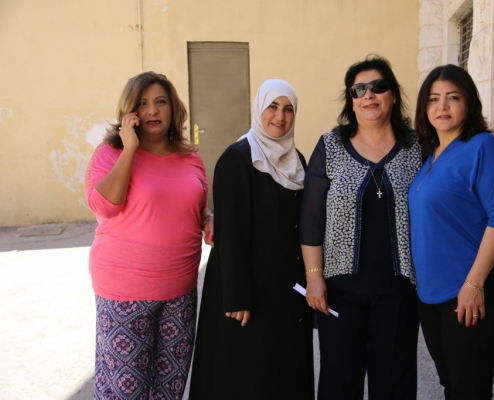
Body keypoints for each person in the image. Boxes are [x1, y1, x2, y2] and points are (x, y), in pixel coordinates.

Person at [84, 71, 213, 400]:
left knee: (169, 390)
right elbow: (105, 207)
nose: (152, 111)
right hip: (125, 292)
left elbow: (197, 208)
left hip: (180, 293)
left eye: (160, 102)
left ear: (173, 108)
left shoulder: (191, 158)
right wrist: (129, 149)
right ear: (130, 111)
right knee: (124, 392)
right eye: (142, 103)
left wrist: (209, 219)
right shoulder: (110, 153)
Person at [300, 55, 421, 400]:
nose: (369, 95)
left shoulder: (416, 147)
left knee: (394, 387)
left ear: (392, 95)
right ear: (351, 101)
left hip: (399, 293)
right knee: (339, 384)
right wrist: (314, 278)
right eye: (359, 89)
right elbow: (311, 218)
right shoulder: (330, 145)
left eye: (378, 87)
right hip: (341, 293)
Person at [188, 79, 314, 400]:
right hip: (249, 288)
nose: (280, 116)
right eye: (272, 106)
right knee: (249, 372)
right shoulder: (238, 159)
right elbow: (230, 234)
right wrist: (237, 296)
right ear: (258, 109)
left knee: (285, 368)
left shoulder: (297, 159)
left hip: (286, 285)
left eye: (288, 109)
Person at [408, 64, 494, 399]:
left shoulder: (484, 147)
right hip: (431, 294)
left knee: (470, 390)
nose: (442, 106)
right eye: (434, 99)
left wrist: (473, 285)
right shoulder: (430, 156)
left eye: (453, 97)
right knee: (452, 386)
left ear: (469, 103)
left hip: (472, 289)